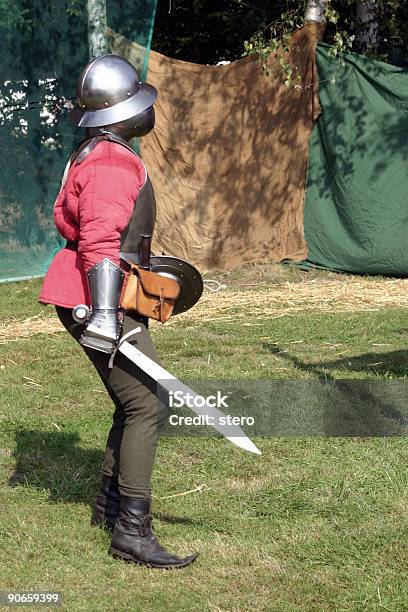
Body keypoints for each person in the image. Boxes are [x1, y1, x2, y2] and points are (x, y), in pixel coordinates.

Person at [39, 54, 197, 569]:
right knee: (147, 405)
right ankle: (131, 530)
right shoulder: (110, 162)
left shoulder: (99, 152)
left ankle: (110, 508)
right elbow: (101, 243)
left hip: (101, 292)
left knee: (132, 402)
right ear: (117, 111)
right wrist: (105, 315)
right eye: (135, 102)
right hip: (98, 296)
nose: (144, 110)